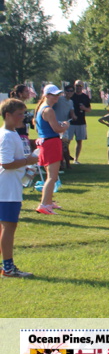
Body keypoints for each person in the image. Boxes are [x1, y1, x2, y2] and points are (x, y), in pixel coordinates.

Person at [1, 98, 40, 277]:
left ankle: (5, 266)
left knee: (5, 227)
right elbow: (6, 163)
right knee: (8, 227)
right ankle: (8, 268)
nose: (22, 117)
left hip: (9, 186)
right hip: (7, 189)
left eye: (23, 114)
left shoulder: (10, 133)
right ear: (7, 115)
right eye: (19, 114)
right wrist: (28, 161)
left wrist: (26, 167)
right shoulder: (8, 136)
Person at [35, 85, 71, 215]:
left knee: (51, 176)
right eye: (54, 95)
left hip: (47, 142)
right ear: (47, 95)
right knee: (52, 176)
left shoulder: (42, 108)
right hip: (51, 143)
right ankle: (44, 204)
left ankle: (48, 202)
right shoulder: (48, 110)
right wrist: (65, 125)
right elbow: (57, 129)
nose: (56, 97)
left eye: (57, 95)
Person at [68, 80, 92, 164]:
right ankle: (65, 158)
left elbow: (89, 109)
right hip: (70, 122)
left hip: (81, 122)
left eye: (80, 86)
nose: (78, 87)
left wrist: (84, 108)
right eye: (77, 86)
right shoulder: (71, 96)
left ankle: (76, 159)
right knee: (67, 141)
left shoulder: (85, 97)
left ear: (82, 87)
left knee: (79, 141)